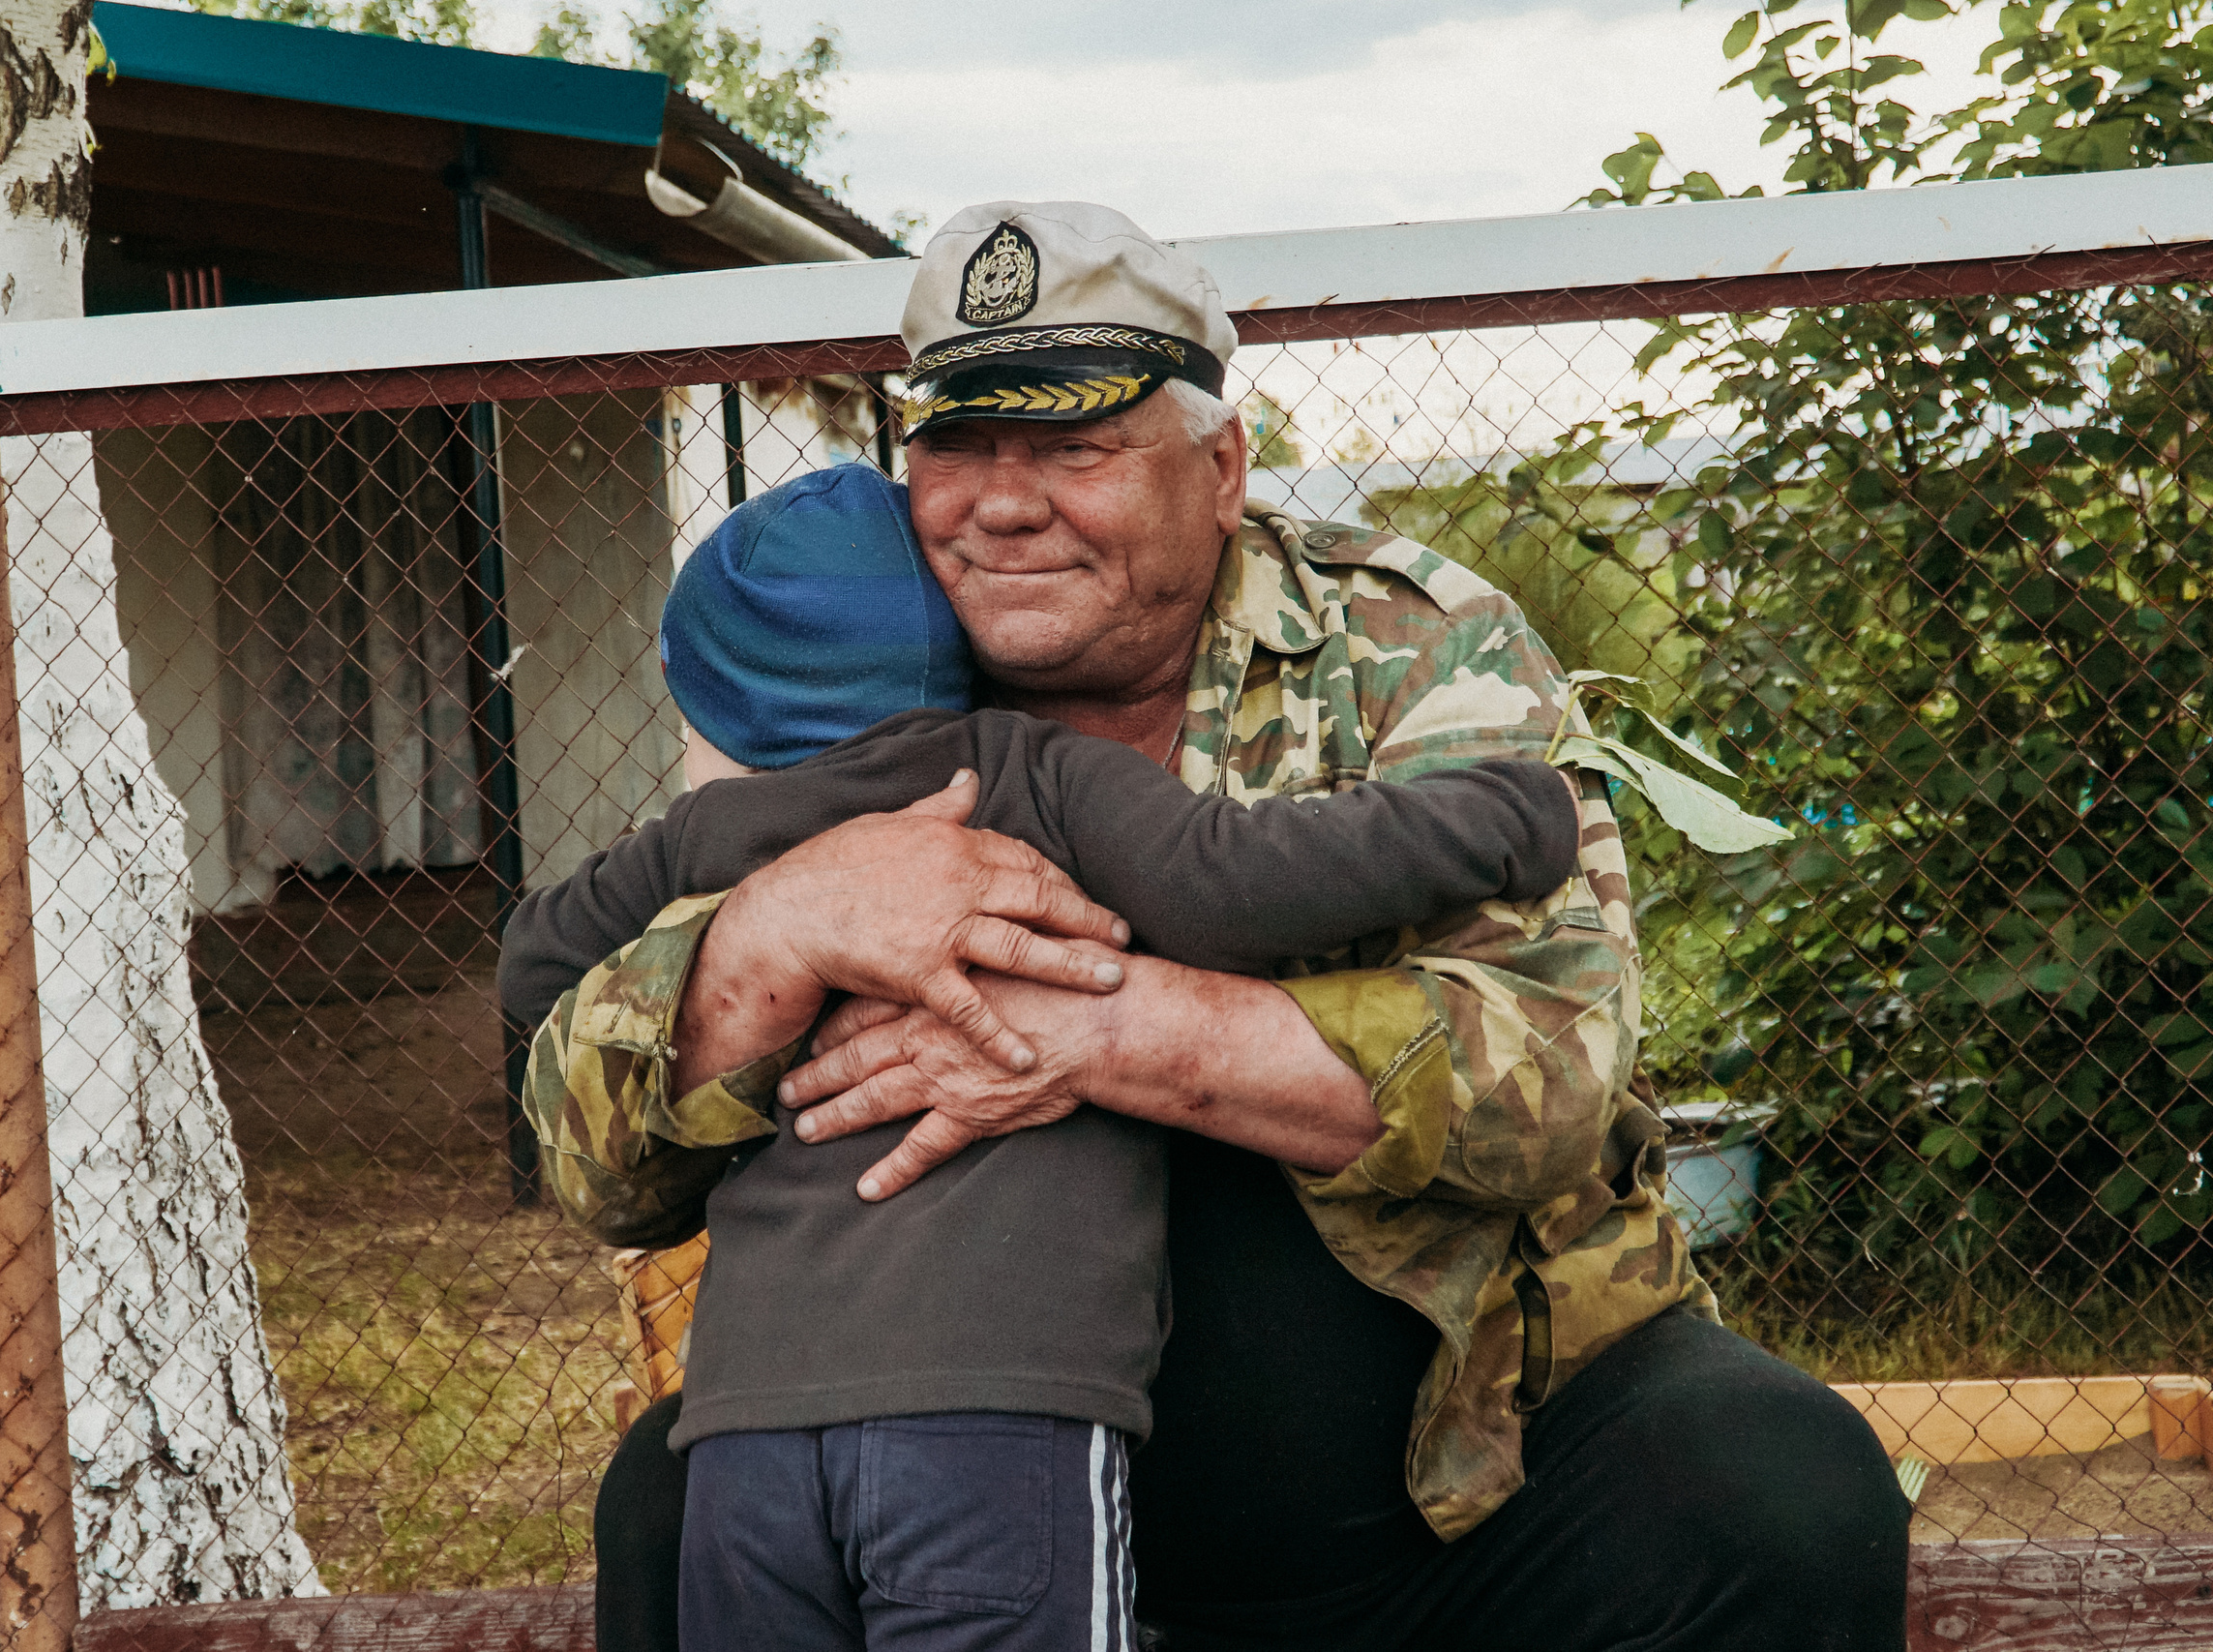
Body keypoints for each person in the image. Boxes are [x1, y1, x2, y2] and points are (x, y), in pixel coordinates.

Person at [546, 202, 1910, 1651]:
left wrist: (1100, 1030)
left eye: (1073, 448)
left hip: (1463, 1467)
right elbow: (596, 1163)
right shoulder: (848, 660)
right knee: (667, 1502)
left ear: (1220, 464)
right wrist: (776, 932)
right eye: (957, 444)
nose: (1000, 505)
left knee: (1779, 1486)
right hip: (981, 1466)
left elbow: (1553, 1077)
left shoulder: (1399, 641)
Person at [501, 459, 1585, 1650]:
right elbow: (1237, 885)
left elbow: (536, 969)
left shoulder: (711, 844)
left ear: (691, 695)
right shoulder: (1026, 772)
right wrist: (1501, 820)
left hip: (749, 1432)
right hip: (992, 1425)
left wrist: (738, 932)